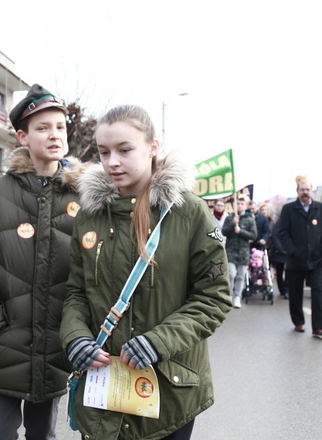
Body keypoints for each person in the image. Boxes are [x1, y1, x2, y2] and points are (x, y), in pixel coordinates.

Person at [60, 105, 231, 439]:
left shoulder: (188, 212)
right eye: (104, 152)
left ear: (153, 147)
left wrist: (157, 341)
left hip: (169, 392)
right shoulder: (89, 215)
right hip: (103, 392)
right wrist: (75, 337)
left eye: (125, 150)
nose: (112, 162)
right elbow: (77, 293)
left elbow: (213, 298)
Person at [0, 84, 85, 439]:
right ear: (23, 136)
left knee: (44, 435)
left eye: (60, 127)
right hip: (1, 346)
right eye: (42, 128)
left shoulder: (83, 197)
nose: (54, 134)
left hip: (55, 346)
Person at [276, 175, 322, 336]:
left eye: (308, 189)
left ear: (312, 191)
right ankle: (298, 322)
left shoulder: (321, 209)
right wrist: (291, 250)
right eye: (302, 190)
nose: (305, 192)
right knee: (295, 292)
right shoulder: (289, 209)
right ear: (297, 191)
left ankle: (318, 327)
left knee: (317, 292)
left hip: (316, 258)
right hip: (295, 258)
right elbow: (283, 232)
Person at [222, 194, 257, 308]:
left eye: (242, 204)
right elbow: (224, 232)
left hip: (243, 252)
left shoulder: (250, 219)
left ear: (246, 205)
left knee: (241, 276)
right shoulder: (229, 217)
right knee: (231, 274)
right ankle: (230, 295)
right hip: (231, 250)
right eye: (238, 204)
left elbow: (253, 235)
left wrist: (241, 231)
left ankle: (237, 297)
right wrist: (233, 224)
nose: (240, 206)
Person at [268, 219, 288, 299]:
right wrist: (280, 248)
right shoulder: (279, 222)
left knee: (289, 272)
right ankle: (282, 289)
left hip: (289, 250)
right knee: (279, 271)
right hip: (279, 252)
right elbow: (275, 235)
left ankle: (287, 290)